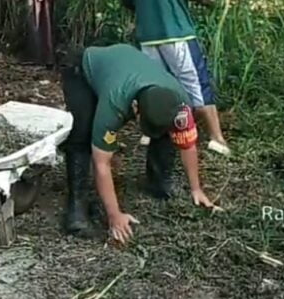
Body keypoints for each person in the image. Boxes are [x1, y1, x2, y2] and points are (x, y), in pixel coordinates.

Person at [60, 43, 219, 243]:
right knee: (82, 134)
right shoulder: (115, 101)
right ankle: (77, 208)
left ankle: (158, 183)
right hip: (83, 69)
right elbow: (102, 163)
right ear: (135, 108)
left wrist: (196, 189)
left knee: (165, 127)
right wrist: (114, 216)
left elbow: (188, 145)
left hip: (126, 68)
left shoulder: (180, 104)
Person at [121, 0, 231, 156]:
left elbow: (127, 0)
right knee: (196, 84)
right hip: (178, 35)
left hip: (148, 38)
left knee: (154, 86)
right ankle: (216, 138)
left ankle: (151, 132)